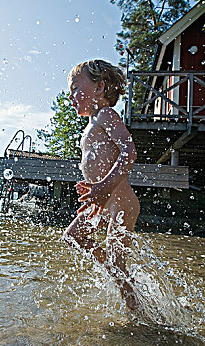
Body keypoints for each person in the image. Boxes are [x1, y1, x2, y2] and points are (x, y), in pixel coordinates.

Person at [63, 59, 140, 309]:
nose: (71, 96)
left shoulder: (106, 115)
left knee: (118, 268)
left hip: (120, 204)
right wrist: (92, 185)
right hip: (102, 201)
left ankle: (141, 314)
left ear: (98, 88)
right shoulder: (92, 122)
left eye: (75, 88)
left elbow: (129, 151)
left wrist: (105, 185)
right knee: (73, 236)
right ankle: (111, 266)